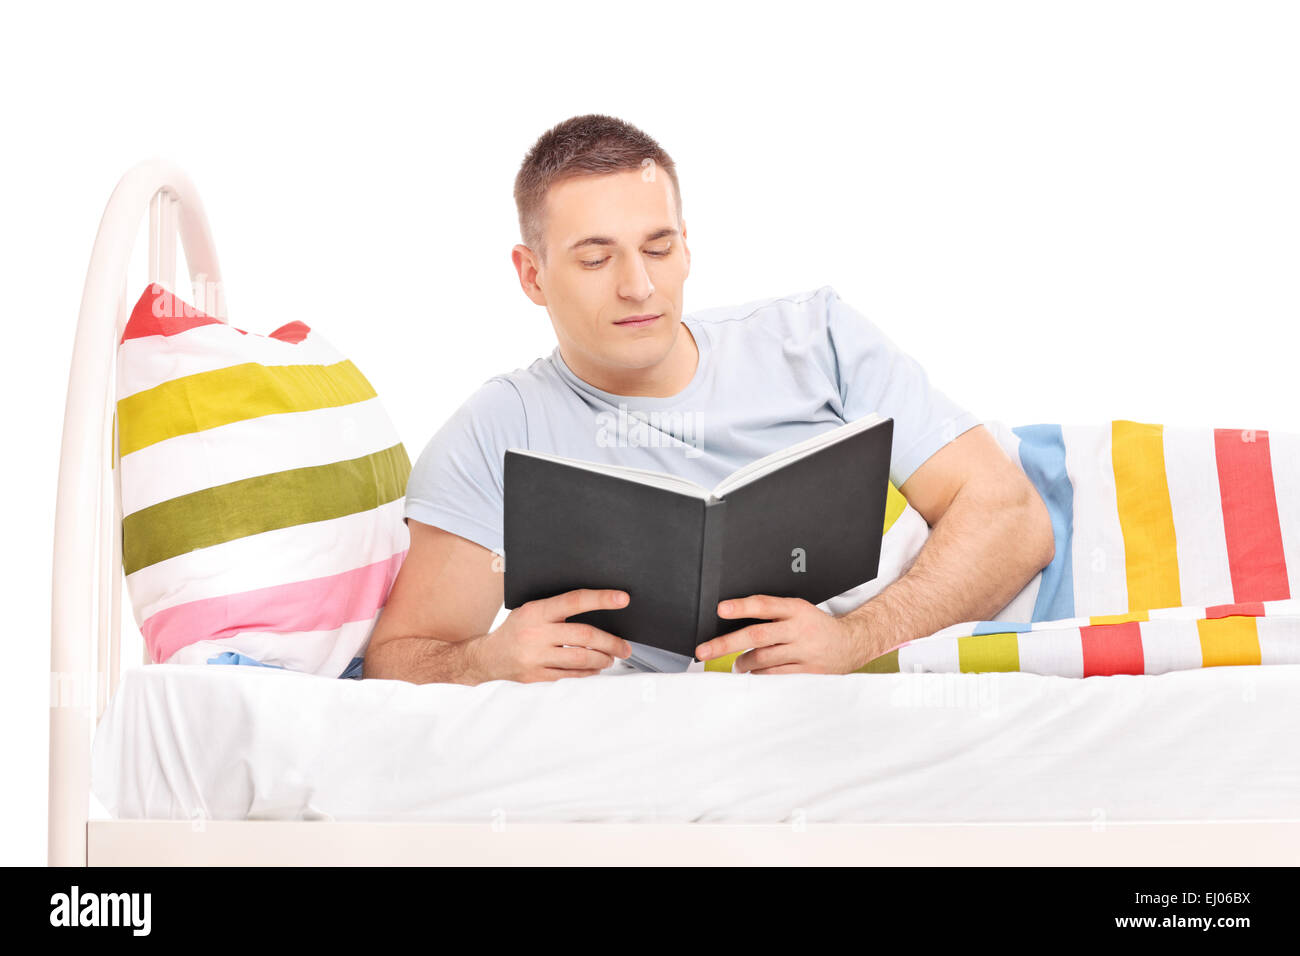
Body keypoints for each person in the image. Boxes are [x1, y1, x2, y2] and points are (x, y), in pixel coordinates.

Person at [362, 114, 1054, 684]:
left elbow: (1014, 518)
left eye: (658, 248)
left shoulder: (815, 337)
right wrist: (487, 659)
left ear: (687, 248)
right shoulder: (494, 431)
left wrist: (854, 639)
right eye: (597, 259)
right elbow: (399, 656)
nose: (638, 287)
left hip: (1017, 579)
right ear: (532, 275)